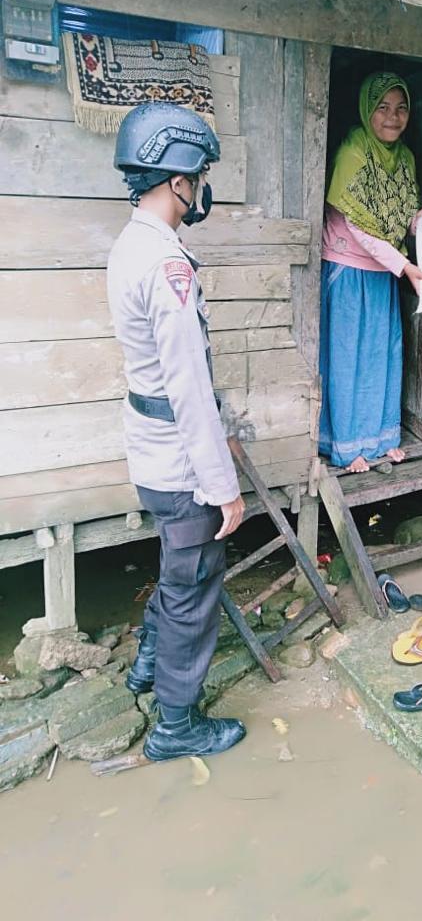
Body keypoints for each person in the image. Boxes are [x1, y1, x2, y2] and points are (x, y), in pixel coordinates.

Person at [107, 102, 246, 759]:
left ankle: (146, 663)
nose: (203, 187)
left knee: (176, 565)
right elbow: (187, 387)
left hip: (150, 450)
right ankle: (177, 725)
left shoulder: (130, 244)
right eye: (201, 174)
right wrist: (224, 487)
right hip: (180, 461)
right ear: (178, 178)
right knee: (193, 587)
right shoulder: (169, 267)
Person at [319, 71, 422, 473]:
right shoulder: (353, 151)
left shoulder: (405, 159)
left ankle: (381, 440)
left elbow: (402, 216)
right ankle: (347, 446)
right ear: (367, 110)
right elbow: (360, 227)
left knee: (381, 355)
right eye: (382, 107)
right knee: (347, 358)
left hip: (383, 272)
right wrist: (406, 266)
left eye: (401, 108)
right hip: (348, 272)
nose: (392, 117)